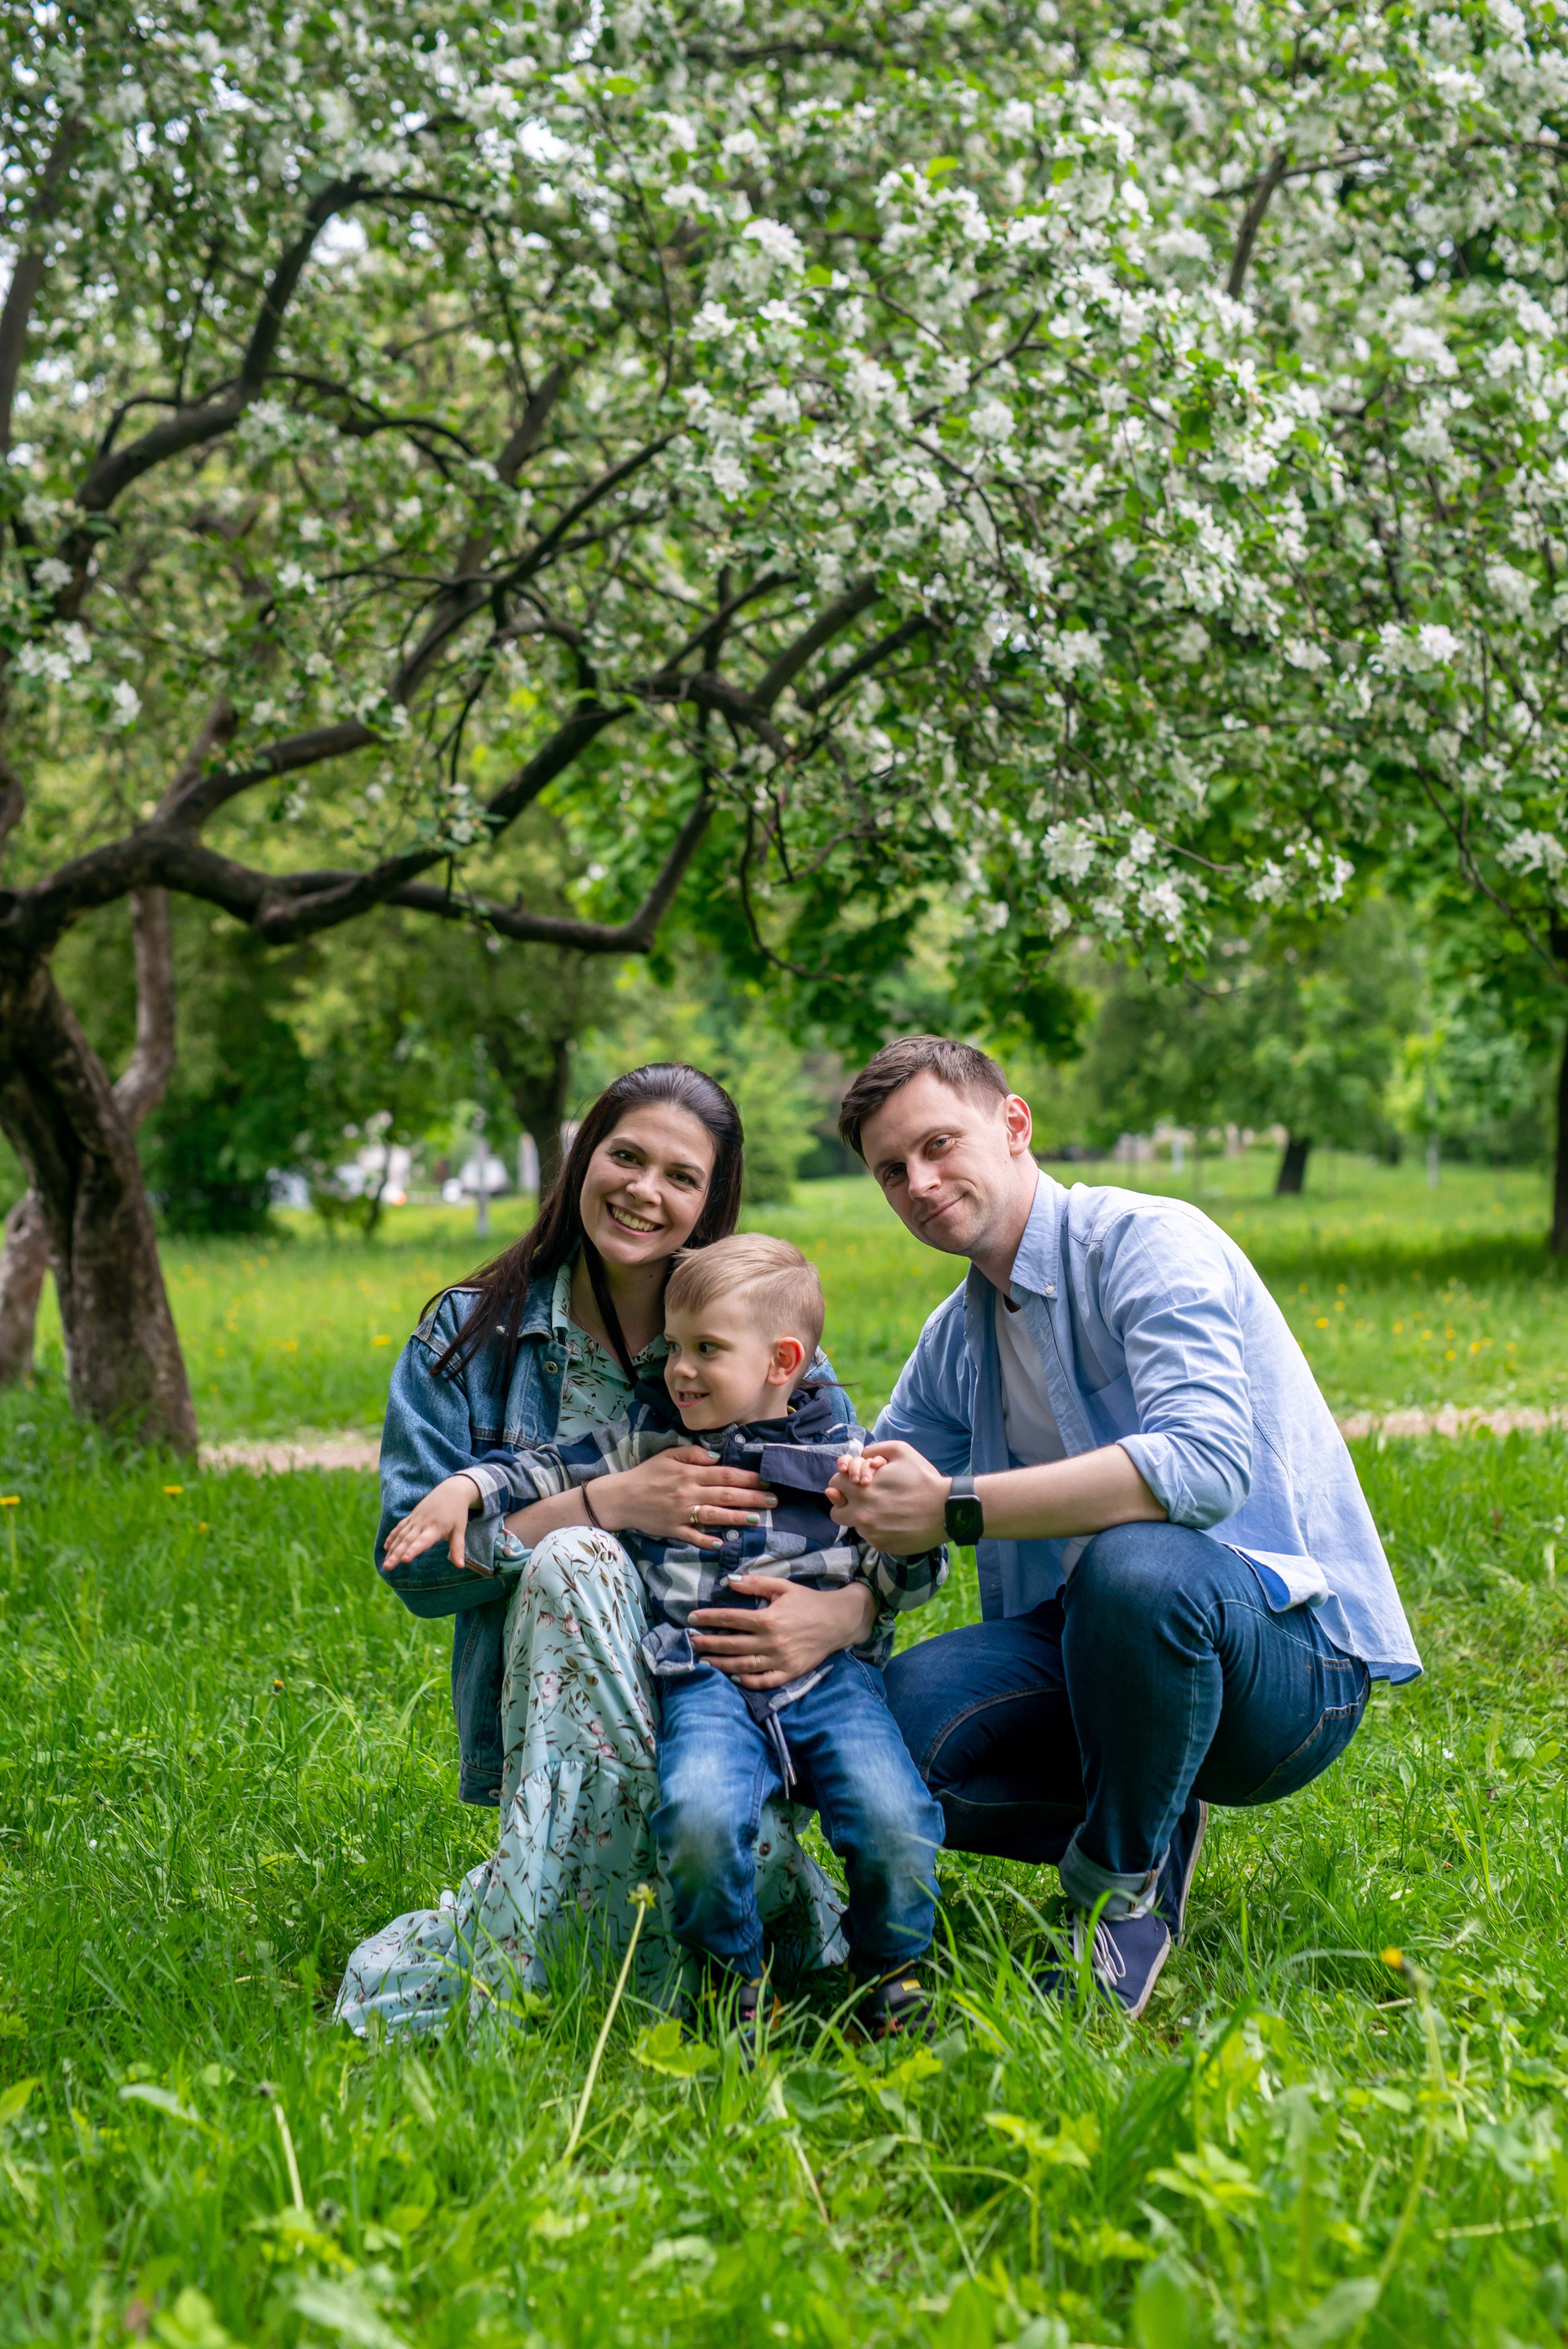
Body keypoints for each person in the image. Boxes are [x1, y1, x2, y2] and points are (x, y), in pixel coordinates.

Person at [826, 1036, 1420, 2020]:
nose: (919, 1183)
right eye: (892, 1170)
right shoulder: (954, 1336)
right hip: (1093, 1644)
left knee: (1134, 1564)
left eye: (939, 1143)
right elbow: (876, 1503)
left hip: (1282, 1662)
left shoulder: (1148, 1240)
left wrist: (956, 1506)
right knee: (881, 1733)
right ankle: (1149, 1810)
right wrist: (830, 1580)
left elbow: (1205, 1462)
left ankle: (1119, 1896)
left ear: (1014, 1124)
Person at [335, 1064, 873, 2037]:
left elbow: (858, 1520)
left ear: (712, 1200)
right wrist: (602, 1501)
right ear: (584, 1157)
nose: (643, 1190)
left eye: (681, 1175)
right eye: (626, 1155)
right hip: (558, 1714)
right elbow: (416, 1566)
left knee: (721, 1816)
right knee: (574, 1557)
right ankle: (637, 1968)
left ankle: (671, 1924)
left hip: (730, 1698)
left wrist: (850, 1611)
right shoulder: (470, 1333)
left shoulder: (760, 1331)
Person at [453, 1233, 947, 2039]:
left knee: (895, 1815)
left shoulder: (848, 1459)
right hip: (702, 1676)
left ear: (782, 1361)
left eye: (706, 1349)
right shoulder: (647, 1439)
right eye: (673, 1347)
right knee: (697, 1821)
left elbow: (918, 1575)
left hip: (828, 1678)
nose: (679, 1369)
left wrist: (892, 1549)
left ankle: (889, 1972)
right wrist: (470, 1486)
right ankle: (735, 1980)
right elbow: (546, 1468)